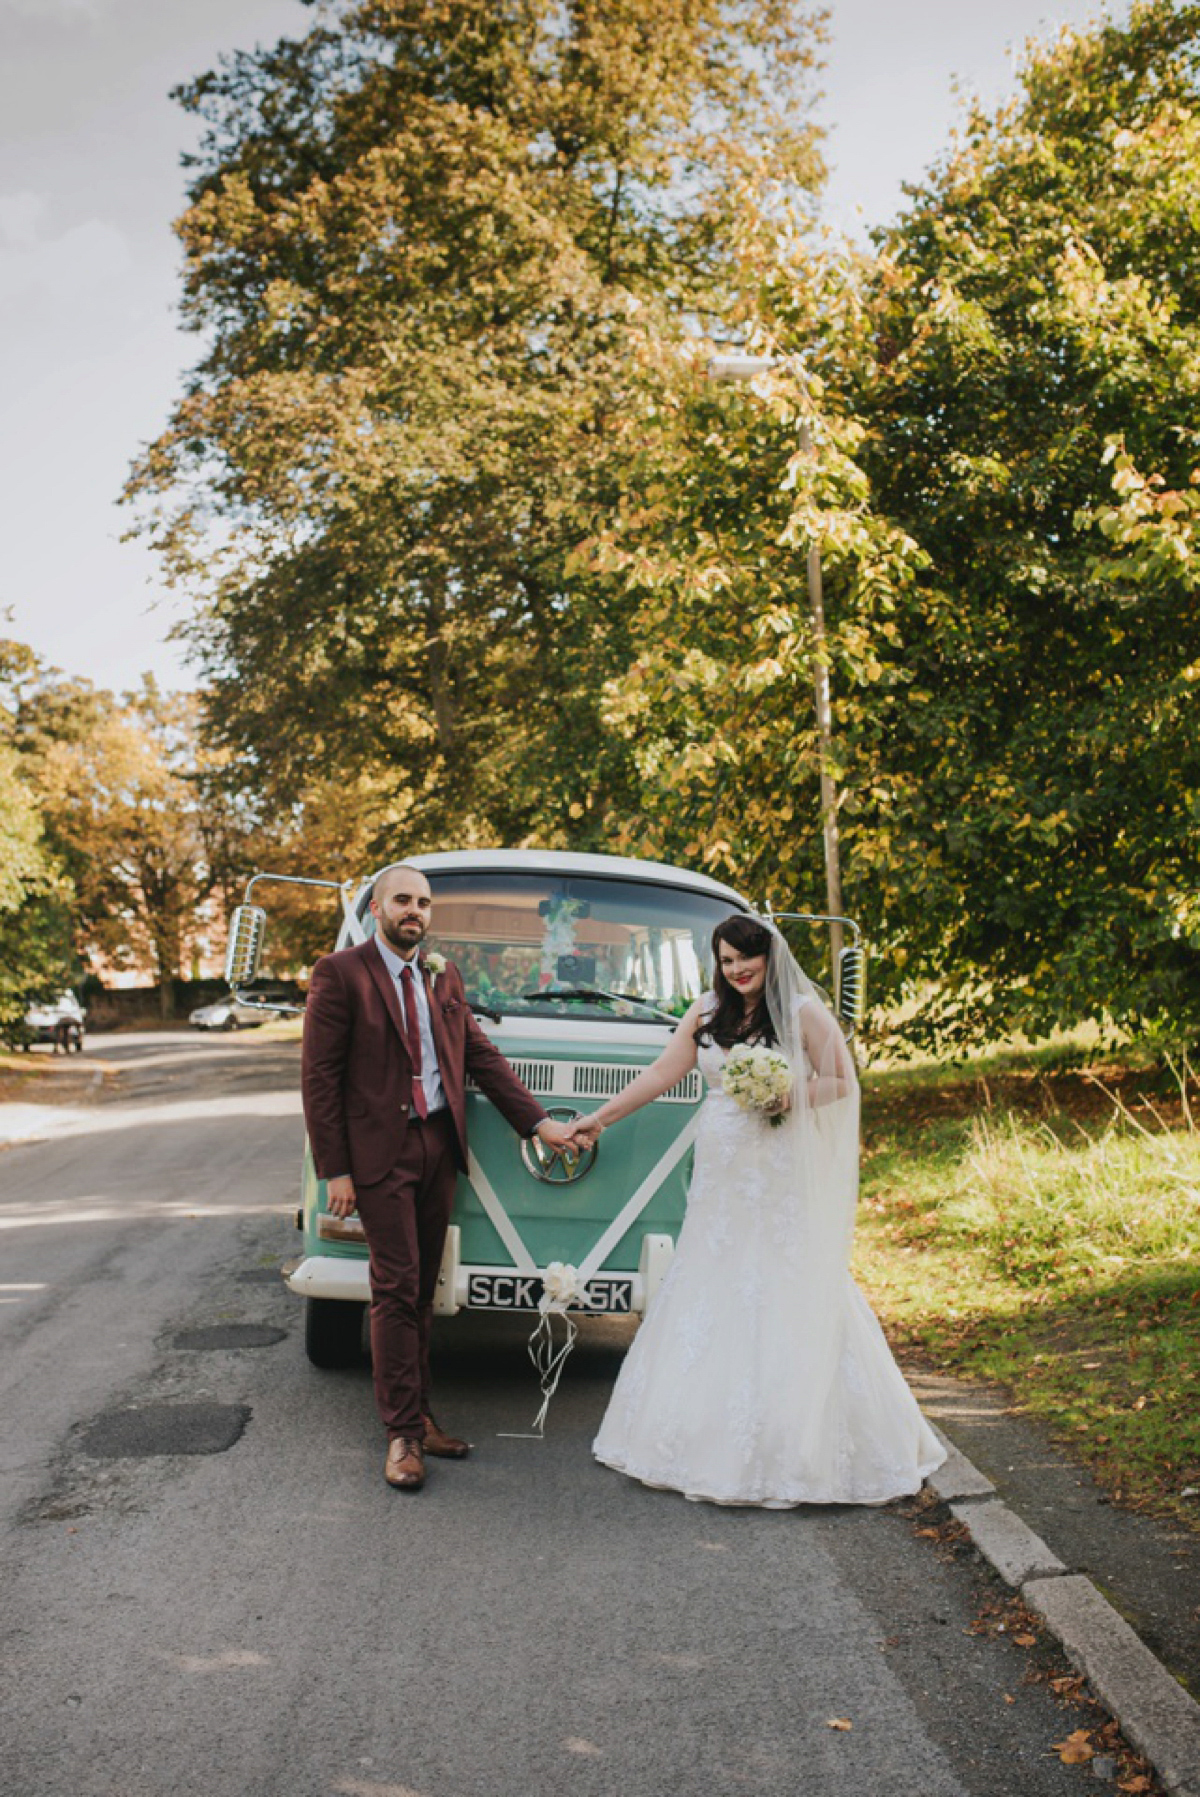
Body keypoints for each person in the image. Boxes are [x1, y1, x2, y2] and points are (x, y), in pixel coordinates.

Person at [576, 913, 946, 1508]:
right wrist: (600, 1117)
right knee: (712, 1281)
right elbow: (660, 1074)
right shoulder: (704, 1013)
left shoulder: (802, 1011)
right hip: (721, 1177)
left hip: (776, 1173)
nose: (736, 969)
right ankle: (698, 1437)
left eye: (745, 957)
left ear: (770, 957)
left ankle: (800, 1441)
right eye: (725, 960)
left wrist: (785, 1094)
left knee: (782, 1278)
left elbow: (840, 1080)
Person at [301, 862, 578, 1493]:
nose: (414, 912)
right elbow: (318, 1079)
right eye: (402, 900)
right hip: (377, 1155)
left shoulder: (442, 972)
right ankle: (400, 1435)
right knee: (395, 1288)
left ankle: (420, 1417)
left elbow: (480, 1054)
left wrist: (538, 1125)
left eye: (423, 903)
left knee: (423, 1289)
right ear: (377, 908)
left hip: (437, 1145)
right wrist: (334, 1170)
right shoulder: (339, 974)